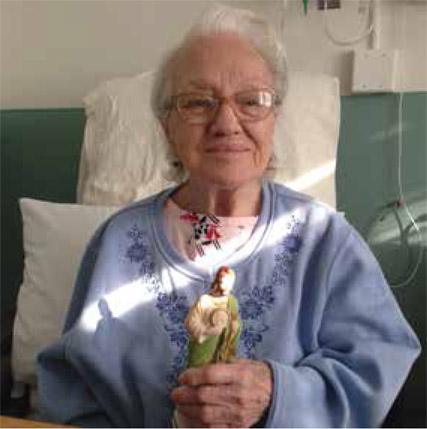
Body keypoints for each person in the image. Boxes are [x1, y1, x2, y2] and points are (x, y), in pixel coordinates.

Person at [37, 4, 420, 428]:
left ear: (274, 118)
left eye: (251, 101)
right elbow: (71, 393)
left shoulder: (326, 239)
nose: (226, 122)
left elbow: (378, 364)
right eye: (198, 102)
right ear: (167, 127)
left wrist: (277, 393)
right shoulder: (116, 241)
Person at [185, 266, 241, 368]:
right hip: (203, 348)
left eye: (230, 283)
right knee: (197, 374)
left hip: (222, 351)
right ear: (218, 281)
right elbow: (190, 322)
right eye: (224, 282)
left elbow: (236, 322)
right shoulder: (205, 301)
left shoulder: (232, 302)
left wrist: (234, 328)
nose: (227, 286)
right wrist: (207, 331)